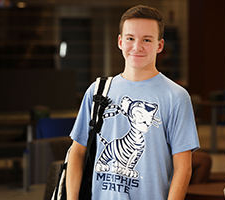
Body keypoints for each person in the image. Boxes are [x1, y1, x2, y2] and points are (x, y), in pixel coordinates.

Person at [66, 5, 200, 200]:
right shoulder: (97, 91)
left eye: (147, 39)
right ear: (120, 41)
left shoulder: (176, 96)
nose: (137, 47)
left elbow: (183, 168)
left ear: (159, 46)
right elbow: (77, 153)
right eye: (130, 38)